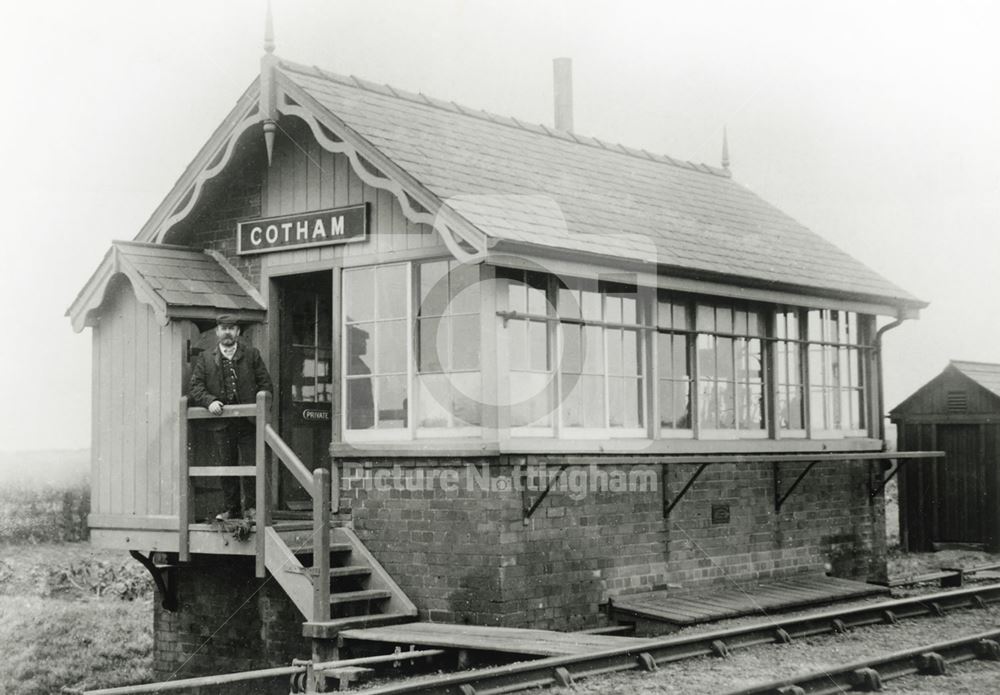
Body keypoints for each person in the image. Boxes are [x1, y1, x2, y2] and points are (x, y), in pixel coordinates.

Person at [189, 314, 273, 521]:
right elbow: (196, 386)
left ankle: (251, 508)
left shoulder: (252, 355)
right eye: (223, 328)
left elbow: (266, 385)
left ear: (237, 332)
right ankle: (232, 509)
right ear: (217, 332)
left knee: (251, 463)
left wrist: (258, 406)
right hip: (221, 423)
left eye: (231, 328)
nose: (227, 332)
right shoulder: (206, 358)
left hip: (248, 422)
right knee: (226, 465)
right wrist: (210, 401)